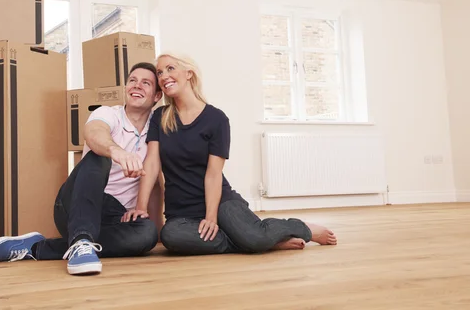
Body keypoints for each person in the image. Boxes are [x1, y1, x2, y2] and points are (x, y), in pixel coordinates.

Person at [123, 53, 337, 255]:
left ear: (189, 73)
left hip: (221, 201)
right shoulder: (160, 117)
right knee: (171, 237)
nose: (164, 76)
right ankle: (259, 242)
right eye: (160, 72)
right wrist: (141, 207)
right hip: (182, 212)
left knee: (252, 236)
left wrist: (211, 217)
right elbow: (151, 165)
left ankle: (301, 228)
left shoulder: (216, 119)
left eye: (170, 68)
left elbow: (214, 174)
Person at [0, 62, 164, 275]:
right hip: (76, 203)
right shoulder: (108, 113)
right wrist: (116, 151)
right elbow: (94, 132)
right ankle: (81, 240)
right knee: (99, 156)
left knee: (147, 234)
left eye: (146, 83)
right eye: (132, 81)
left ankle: (36, 248)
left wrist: (143, 210)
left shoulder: (158, 128)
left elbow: (156, 177)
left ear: (157, 96)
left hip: (115, 216)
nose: (136, 86)